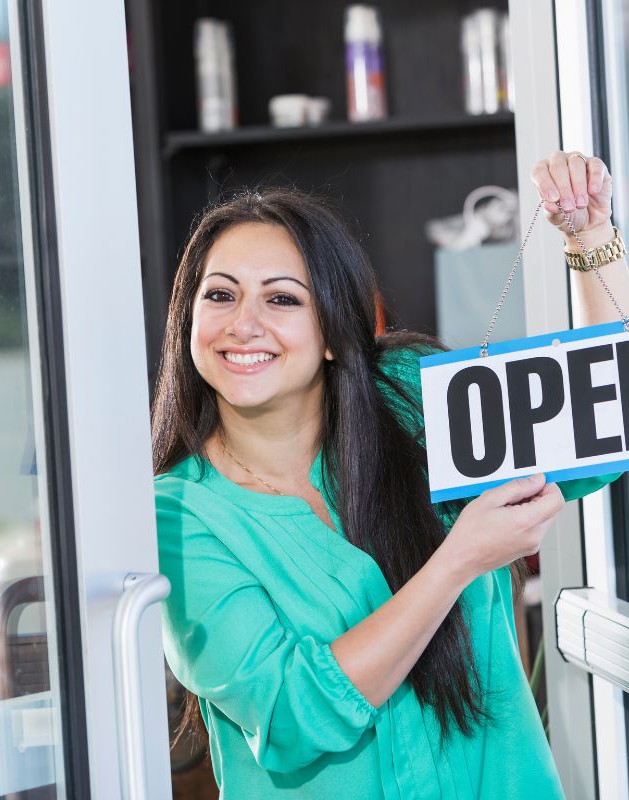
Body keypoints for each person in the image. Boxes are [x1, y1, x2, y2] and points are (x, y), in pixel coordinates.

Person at [152, 150, 628, 799]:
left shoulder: (409, 399)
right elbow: (293, 716)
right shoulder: (175, 516)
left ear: (331, 330)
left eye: (282, 298)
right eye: (221, 294)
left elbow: (602, 427)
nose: (245, 323)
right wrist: (458, 560)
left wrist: (591, 233)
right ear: (190, 321)